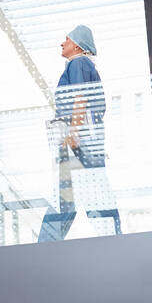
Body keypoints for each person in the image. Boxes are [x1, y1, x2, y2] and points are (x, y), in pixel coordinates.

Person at [37, 25, 119, 241]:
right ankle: (115, 239)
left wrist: (73, 133)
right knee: (81, 194)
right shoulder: (81, 65)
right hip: (84, 143)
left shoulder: (78, 63)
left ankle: (43, 247)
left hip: (78, 142)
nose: (62, 43)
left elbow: (81, 97)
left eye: (66, 39)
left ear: (77, 45)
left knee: (70, 195)